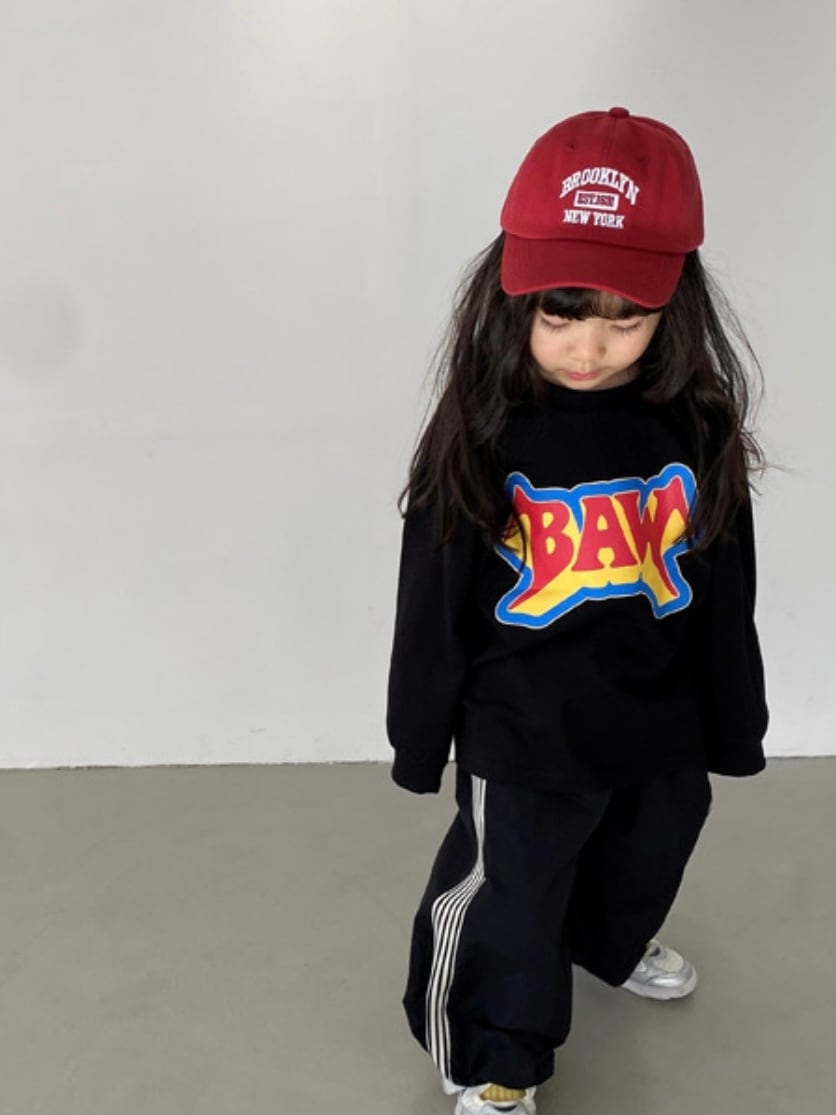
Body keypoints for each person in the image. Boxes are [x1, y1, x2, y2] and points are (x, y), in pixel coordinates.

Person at [385, 107, 768, 1115]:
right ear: (510, 289)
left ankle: (604, 938)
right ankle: (494, 1054)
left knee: (645, 849)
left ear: (675, 303)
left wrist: (734, 719)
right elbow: (429, 596)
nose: (587, 346)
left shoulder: (695, 425)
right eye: (559, 312)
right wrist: (419, 734)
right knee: (511, 892)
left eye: (623, 318)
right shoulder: (483, 429)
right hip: (523, 727)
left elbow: (726, 584)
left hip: (657, 714)